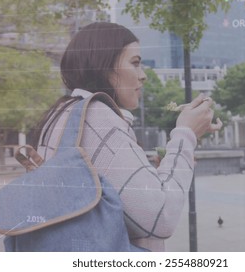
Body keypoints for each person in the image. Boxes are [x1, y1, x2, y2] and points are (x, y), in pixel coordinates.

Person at [31, 22, 222, 252]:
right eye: (135, 63)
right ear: (104, 66)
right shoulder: (99, 118)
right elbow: (160, 218)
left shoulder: (63, 113)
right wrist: (186, 134)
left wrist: (173, 163)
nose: (143, 76)